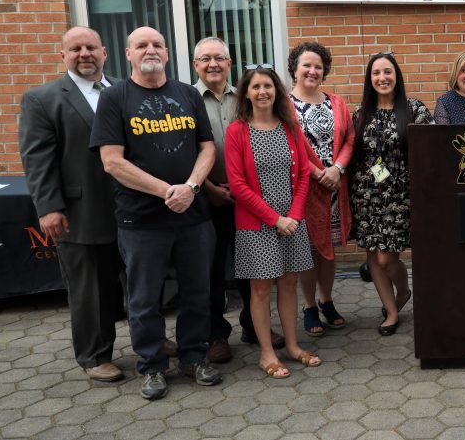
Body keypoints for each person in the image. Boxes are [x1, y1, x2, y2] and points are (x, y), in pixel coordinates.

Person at [90, 26, 221, 400]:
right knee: (144, 298)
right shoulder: (115, 98)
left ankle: (195, 357)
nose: (151, 50)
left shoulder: (186, 93)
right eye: (142, 45)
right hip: (141, 219)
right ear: (127, 54)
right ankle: (152, 365)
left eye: (158, 45)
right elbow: (112, 162)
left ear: (167, 53)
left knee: (198, 291)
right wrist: (167, 191)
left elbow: (207, 148)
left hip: (193, 215)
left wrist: (192, 187)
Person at [18, 27, 124, 382]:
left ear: (104, 52)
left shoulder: (124, 90)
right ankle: (95, 356)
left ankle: (149, 340)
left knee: (138, 280)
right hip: (80, 212)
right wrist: (48, 207)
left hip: (131, 208)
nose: (84, 54)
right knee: (88, 287)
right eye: (75, 48)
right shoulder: (43, 98)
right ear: (61, 54)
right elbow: (37, 159)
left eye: (91, 47)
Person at [192, 37, 284, 363]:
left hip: (248, 197)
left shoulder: (243, 97)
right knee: (212, 269)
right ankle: (216, 333)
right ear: (196, 65)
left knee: (253, 267)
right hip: (204, 196)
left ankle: (251, 326)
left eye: (219, 58)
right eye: (205, 59)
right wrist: (207, 189)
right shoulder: (187, 99)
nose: (213, 64)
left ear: (230, 64)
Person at [225, 66, 320, 379]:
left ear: (277, 91)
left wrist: (292, 215)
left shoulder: (291, 126)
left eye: (268, 86)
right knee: (261, 289)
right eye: (256, 87)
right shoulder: (237, 131)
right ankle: (267, 353)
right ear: (247, 93)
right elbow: (237, 185)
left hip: (291, 220)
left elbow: (304, 173)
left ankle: (292, 346)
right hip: (257, 224)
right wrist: (274, 218)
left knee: (290, 284)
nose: (262, 92)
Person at [350, 52, 433, 336]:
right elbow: (356, 157)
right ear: (369, 79)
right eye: (376, 73)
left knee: (388, 259)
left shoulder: (415, 110)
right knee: (374, 258)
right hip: (367, 195)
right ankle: (392, 311)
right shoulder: (360, 114)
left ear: (396, 76)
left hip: (401, 197)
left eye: (387, 72)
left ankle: (404, 289)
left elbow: (430, 152)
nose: (382, 78)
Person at [287, 42, 355, 337]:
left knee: (328, 251)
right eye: (307, 65)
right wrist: (317, 172)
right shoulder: (284, 105)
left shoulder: (337, 103)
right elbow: (287, 143)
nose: (312, 71)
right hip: (303, 188)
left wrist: (337, 169)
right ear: (295, 69)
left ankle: (327, 300)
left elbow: (350, 139)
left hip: (333, 188)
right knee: (308, 250)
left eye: (318, 66)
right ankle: (309, 305)